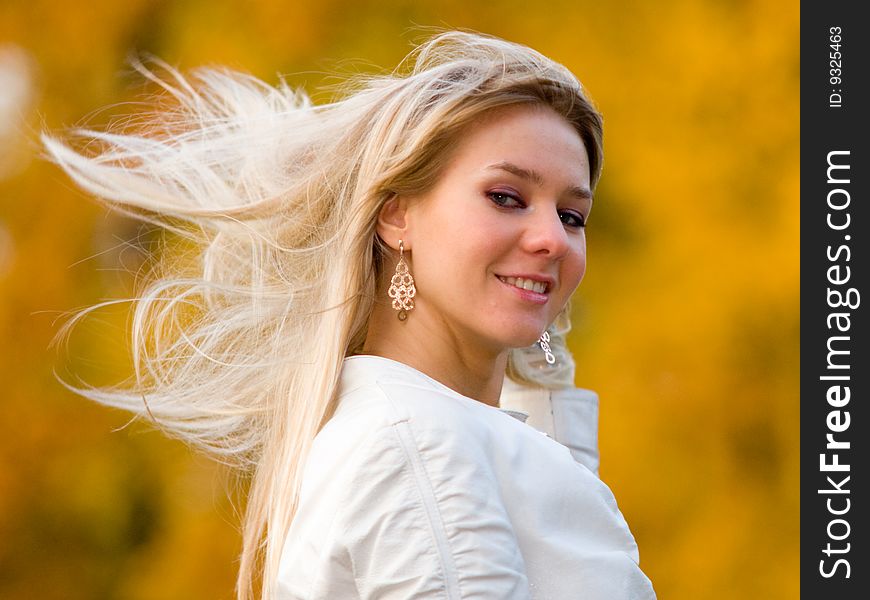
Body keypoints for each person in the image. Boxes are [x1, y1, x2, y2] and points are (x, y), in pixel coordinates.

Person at [45, 30, 656, 599]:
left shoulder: (424, 431)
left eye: (572, 215)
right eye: (505, 197)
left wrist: (544, 379)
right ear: (397, 216)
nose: (551, 238)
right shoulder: (420, 443)